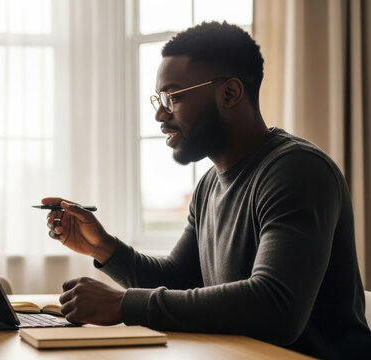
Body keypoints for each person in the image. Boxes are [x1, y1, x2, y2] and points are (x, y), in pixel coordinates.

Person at [43, 22, 371, 359]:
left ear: (229, 93)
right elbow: (179, 280)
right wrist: (105, 249)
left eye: (174, 96)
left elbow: (276, 308)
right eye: (159, 98)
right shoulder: (209, 185)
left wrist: (125, 305)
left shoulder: (297, 171)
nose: (160, 114)